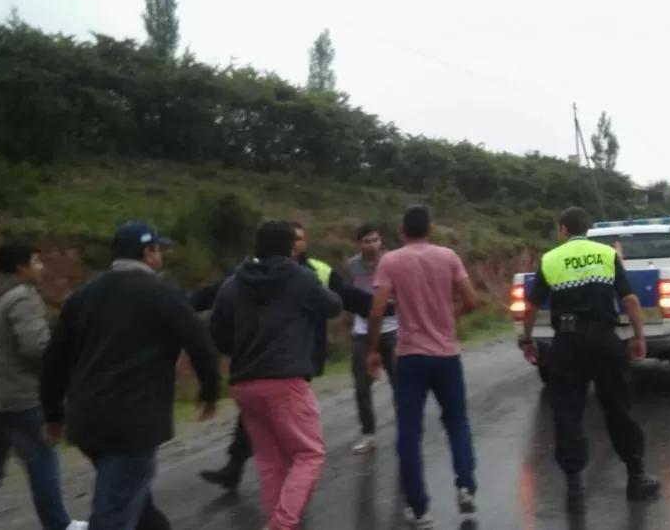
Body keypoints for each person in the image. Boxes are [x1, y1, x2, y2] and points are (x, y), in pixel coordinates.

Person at [39, 221, 221, 530]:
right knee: (115, 513)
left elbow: (55, 358)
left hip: (87, 421)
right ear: (148, 253)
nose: (161, 257)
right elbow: (200, 343)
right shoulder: (162, 293)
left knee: (134, 501)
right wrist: (210, 391)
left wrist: (53, 413)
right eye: (158, 250)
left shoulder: (83, 296)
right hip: (134, 424)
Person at [199, 221, 391, 490]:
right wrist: (182, 303)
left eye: (300, 238)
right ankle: (245, 468)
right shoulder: (251, 270)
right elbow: (215, 295)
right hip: (260, 355)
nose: (296, 243)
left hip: (299, 355)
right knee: (260, 413)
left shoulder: (317, 271)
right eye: (293, 238)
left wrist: (385, 309)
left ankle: (270, 472)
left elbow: (347, 298)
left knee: (270, 413)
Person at [519, 206, 660, 514]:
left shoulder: (551, 259)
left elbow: (531, 307)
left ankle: (574, 490)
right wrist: (639, 337)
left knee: (567, 413)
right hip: (605, 340)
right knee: (619, 409)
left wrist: (527, 339)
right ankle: (636, 477)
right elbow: (630, 299)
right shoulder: (606, 255)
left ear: (562, 229)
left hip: (567, 344)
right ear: (588, 229)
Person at [210, 220, 343, 529]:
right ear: (289, 248)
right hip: (285, 380)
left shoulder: (234, 282)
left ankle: (279, 521)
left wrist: (241, 348)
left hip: (245, 384)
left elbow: (217, 331)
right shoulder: (300, 277)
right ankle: (281, 524)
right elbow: (333, 306)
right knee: (309, 454)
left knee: (270, 463)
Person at [366, 205, 480, 529]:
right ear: (430, 229)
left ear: (402, 231)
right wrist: (450, 317)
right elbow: (472, 300)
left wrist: (372, 351)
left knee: (409, 432)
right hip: (447, 356)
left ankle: (419, 510)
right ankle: (465, 486)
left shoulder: (390, 261)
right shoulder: (448, 256)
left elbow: (377, 311)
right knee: (457, 422)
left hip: (410, 358)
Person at [0, 240, 86, 530]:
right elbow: (36, 347)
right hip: (20, 398)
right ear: (21, 267)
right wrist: (59, 366)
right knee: (42, 462)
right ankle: (58, 524)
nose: (41, 268)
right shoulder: (21, 297)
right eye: (36, 261)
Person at [348, 222, 398, 454]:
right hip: (362, 331)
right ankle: (368, 433)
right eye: (366, 241)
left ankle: (405, 428)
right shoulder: (352, 266)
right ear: (359, 243)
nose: (372, 245)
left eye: (375, 240)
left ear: (381, 240)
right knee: (361, 386)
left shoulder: (393, 262)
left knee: (399, 382)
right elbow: (348, 295)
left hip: (392, 329)